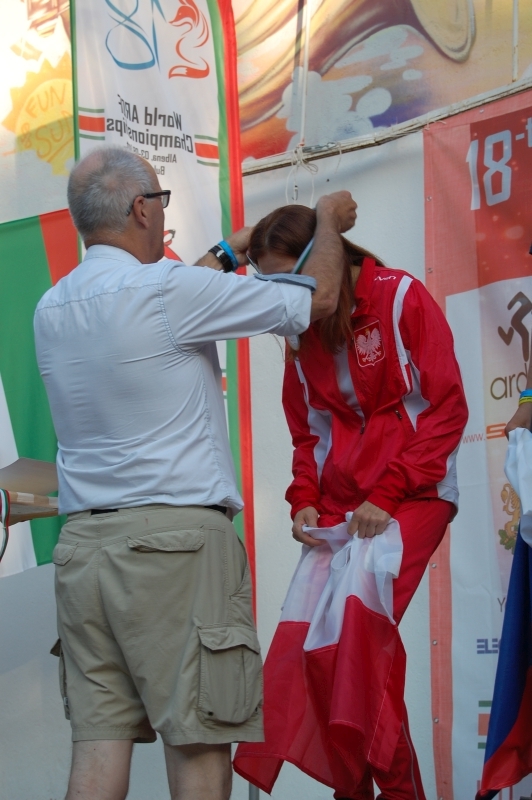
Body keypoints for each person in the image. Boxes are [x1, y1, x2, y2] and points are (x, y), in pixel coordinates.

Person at [33, 146, 358, 800]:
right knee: (201, 746)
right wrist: (327, 219)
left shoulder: (53, 306)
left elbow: (174, 293)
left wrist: (231, 249)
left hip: (85, 554)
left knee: (96, 755)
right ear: (140, 209)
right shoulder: (167, 290)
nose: (162, 213)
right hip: (175, 548)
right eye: (160, 200)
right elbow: (318, 299)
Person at [234, 204, 469, 800]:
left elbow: (446, 408)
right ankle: (355, 789)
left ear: (323, 260)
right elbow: (307, 432)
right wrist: (303, 500)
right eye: (270, 284)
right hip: (344, 507)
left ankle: (397, 791)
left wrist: (387, 494)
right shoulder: (298, 330)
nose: (281, 298)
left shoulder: (398, 296)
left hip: (412, 492)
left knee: (356, 644)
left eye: (288, 279)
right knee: (314, 648)